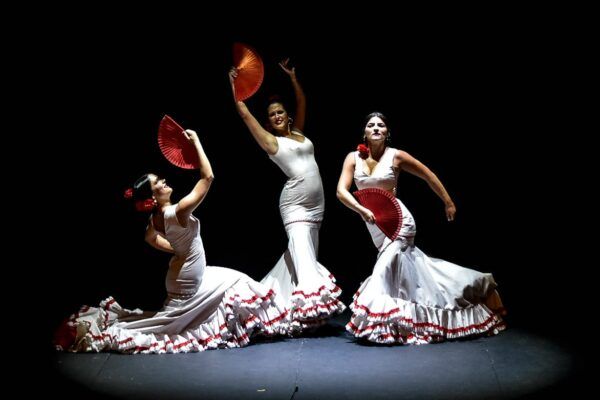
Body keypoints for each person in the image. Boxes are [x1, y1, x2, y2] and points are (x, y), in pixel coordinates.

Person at [54, 129, 290, 354]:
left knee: (234, 280)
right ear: (154, 197)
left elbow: (149, 237)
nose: (164, 181)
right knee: (227, 288)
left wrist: (178, 250)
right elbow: (208, 177)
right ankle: (273, 321)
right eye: (158, 183)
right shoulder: (177, 211)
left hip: (182, 273)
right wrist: (196, 141)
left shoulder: (155, 219)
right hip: (187, 279)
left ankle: (258, 322)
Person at [336, 112, 505, 345]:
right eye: (371, 125)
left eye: (381, 125)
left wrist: (448, 202)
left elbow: (428, 175)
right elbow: (340, 192)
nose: (376, 128)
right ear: (363, 132)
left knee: (382, 272)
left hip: (399, 223)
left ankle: (380, 326)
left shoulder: (396, 156)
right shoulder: (353, 158)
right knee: (410, 280)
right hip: (374, 225)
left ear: (387, 132)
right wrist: (362, 210)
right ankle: (406, 323)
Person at [229, 59, 345, 332]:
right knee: (304, 257)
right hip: (294, 206)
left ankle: (269, 306)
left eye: (280, 112)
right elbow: (245, 115)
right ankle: (310, 311)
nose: (277, 116)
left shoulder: (299, 134)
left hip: (316, 207)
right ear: (268, 122)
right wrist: (234, 86)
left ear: (287, 115)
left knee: (299, 258)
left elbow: (302, 102)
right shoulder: (272, 142)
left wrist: (293, 78)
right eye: (271, 115)